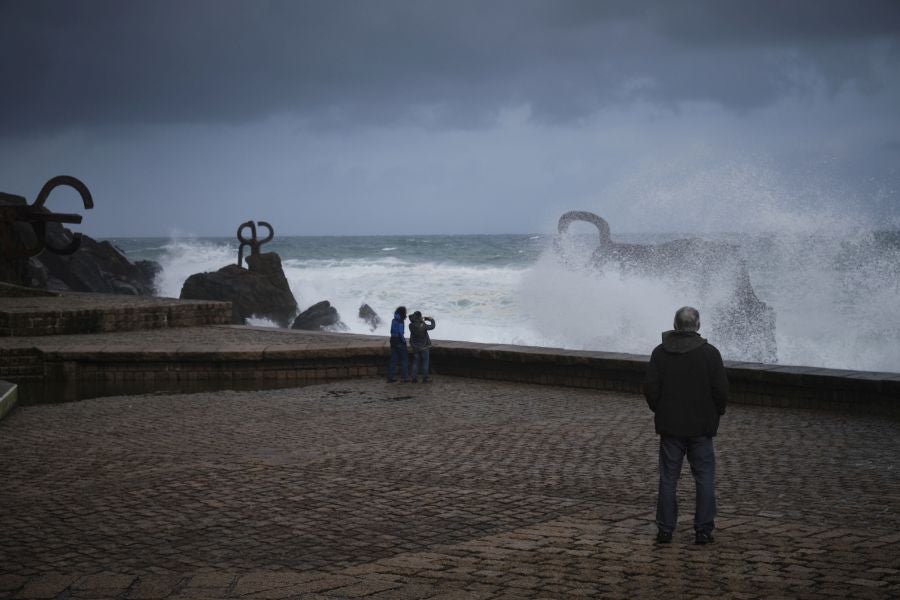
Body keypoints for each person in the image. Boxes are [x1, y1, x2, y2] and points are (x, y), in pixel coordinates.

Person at [644, 306, 728, 545]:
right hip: (701, 427)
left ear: (675, 325)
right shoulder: (710, 354)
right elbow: (721, 390)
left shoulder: (661, 353)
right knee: (704, 477)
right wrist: (716, 413)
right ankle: (703, 530)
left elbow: (651, 387)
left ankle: (665, 529)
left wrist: (660, 409)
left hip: (671, 426)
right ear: (697, 325)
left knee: (669, 478)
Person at [408, 311, 436, 383]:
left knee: (415, 362)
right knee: (425, 363)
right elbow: (432, 326)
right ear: (419, 317)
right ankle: (425, 378)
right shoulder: (422, 325)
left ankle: (414, 378)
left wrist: (420, 319)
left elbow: (412, 319)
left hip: (415, 347)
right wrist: (430, 319)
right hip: (424, 347)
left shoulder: (411, 325)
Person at [387, 306, 409, 383]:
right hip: (399, 341)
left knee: (393, 360)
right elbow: (400, 332)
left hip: (392, 340)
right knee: (404, 359)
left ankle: (390, 377)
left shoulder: (393, 320)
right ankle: (405, 377)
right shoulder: (401, 321)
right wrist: (404, 341)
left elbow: (391, 330)